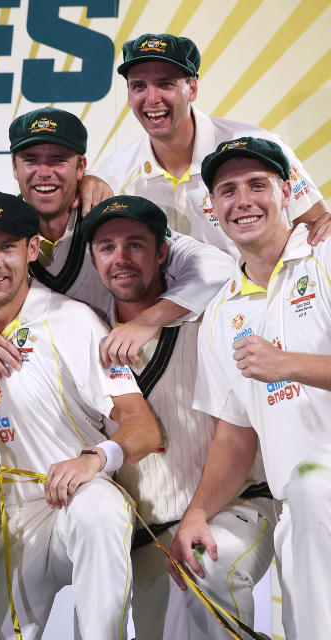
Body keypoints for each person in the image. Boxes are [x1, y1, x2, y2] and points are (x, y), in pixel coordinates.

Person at [0, 193, 161, 640]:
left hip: (67, 504)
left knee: (100, 508)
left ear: (32, 250)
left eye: (7, 246)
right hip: (0, 522)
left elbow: (142, 426)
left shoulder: (72, 320)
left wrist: (92, 460)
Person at [85, 195, 275, 639]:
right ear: (92, 259)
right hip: (149, 536)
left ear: (162, 252)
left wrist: (196, 515)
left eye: (136, 244)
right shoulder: (85, 337)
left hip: (233, 507)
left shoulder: (211, 322)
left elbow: (240, 435)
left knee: (205, 566)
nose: (121, 259)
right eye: (106, 247)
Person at [0, 107, 233, 377]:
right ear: (14, 167)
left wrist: (147, 320)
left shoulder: (110, 220)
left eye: (58, 160)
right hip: (32, 390)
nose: (44, 173)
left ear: (81, 166)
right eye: (30, 160)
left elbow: (216, 266)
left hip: (120, 377)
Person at [176, 137, 331, 639]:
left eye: (258, 184)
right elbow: (235, 435)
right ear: (212, 208)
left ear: (288, 191)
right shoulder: (222, 313)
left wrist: (288, 364)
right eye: (227, 190)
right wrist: (196, 514)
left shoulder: (326, 256)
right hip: (303, 512)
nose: (243, 200)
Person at [94, 33, 330, 257]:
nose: (152, 98)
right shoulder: (114, 174)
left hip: (265, 296)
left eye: (165, 84)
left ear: (192, 89)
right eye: (139, 86)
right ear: (128, 95)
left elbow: (317, 228)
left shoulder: (261, 147)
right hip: (170, 300)